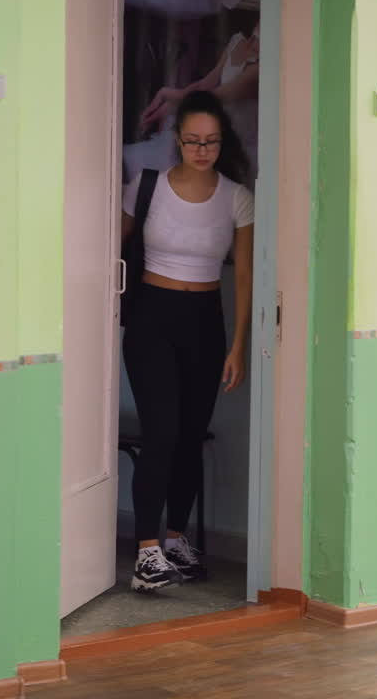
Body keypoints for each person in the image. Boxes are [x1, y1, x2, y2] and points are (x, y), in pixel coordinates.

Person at [121, 90, 254, 592]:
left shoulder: (237, 197)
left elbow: (244, 278)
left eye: (212, 142)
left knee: (189, 437)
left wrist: (238, 345)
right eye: (193, 141)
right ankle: (146, 553)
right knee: (162, 433)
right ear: (177, 140)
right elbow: (108, 245)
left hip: (204, 319)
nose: (202, 150)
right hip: (153, 316)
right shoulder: (146, 186)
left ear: (222, 144)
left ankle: (175, 538)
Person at [127, 22, 260, 189]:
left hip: (236, 139)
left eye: (258, 39)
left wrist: (169, 95)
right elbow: (205, 84)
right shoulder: (238, 42)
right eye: (253, 35)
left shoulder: (259, 70)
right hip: (216, 128)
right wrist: (175, 99)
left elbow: (215, 96)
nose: (250, 42)